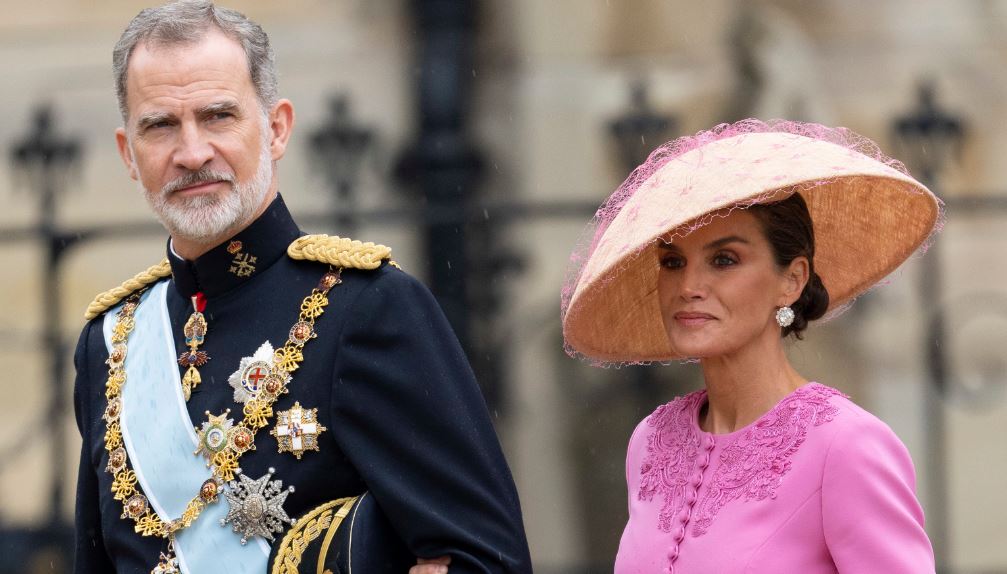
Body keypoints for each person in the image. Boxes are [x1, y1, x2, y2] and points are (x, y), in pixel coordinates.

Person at [72, 2, 532, 573]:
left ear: (277, 128)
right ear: (128, 155)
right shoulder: (110, 344)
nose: (191, 153)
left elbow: (484, 560)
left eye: (218, 116)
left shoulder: (369, 309)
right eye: (160, 125)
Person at [561, 119, 939, 572]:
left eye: (724, 260)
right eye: (673, 261)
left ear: (792, 280)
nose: (689, 286)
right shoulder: (651, 440)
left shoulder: (845, 445)